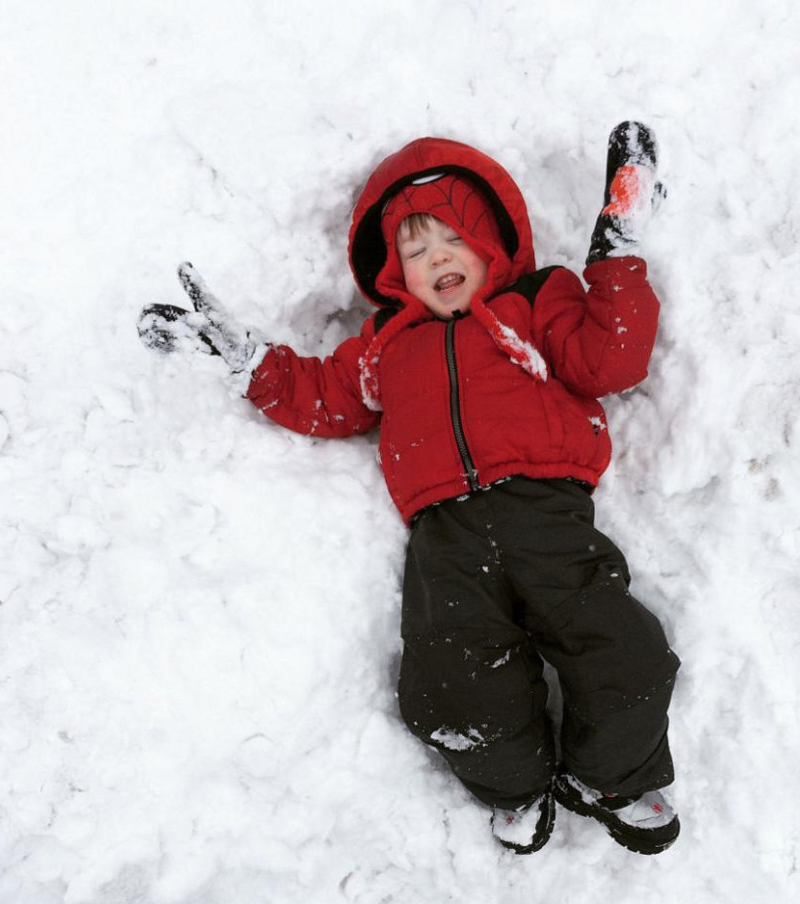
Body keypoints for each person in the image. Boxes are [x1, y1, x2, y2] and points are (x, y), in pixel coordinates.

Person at [138, 123, 681, 856]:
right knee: (448, 682)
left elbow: (611, 360)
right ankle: (515, 784)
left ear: (492, 244)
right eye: (415, 252)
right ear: (395, 275)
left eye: (452, 240)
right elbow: (325, 398)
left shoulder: (537, 302)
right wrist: (245, 361)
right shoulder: (385, 346)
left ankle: (609, 778)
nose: (437, 260)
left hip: (547, 515)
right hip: (444, 539)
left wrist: (616, 249)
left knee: (629, 654)